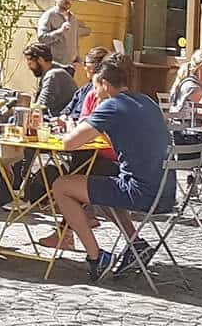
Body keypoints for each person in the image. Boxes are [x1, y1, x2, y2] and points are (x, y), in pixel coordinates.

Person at [50, 61, 173, 279]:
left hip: (140, 192)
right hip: (164, 191)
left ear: (105, 84)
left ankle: (96, 257)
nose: (94, 92)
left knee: (61, 186)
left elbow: (69, 144)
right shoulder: (146, 101)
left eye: (95, 86)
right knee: (102, 177)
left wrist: (72, 125)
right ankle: (136, 244)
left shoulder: (112, 106)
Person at [35, 0, 85, 65]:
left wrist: (76, 56)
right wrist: (60, 31)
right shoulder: (49, 16)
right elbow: (42, 38)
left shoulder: (73, 18)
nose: (68, 0)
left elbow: (75, 40)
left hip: (70, 65)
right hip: (54, 65)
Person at [26, 43, 76, 117]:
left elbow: (40, 107)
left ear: (40, 60)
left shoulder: (53, 75)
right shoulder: (52, 71)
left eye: (30, 64)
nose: (29, 68)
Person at [67, 46, 112, 121]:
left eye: (85, 63)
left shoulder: (106, 92)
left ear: (98, 65)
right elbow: (68, 109)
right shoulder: (85, 89)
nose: (84, 67)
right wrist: (64, 117)